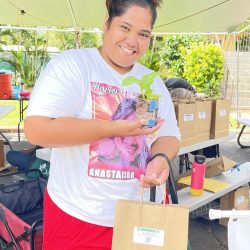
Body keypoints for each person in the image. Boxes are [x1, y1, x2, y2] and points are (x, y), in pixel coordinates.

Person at [24, 0, 181, 249]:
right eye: (125, 27)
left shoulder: (152, 82)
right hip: (79, 216)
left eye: (143, 34)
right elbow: (37, 130)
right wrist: (115, 128)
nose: (132, 41)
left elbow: (170, 134)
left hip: (139, 214)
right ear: (107, 23)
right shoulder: (73, 66)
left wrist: (160, 158)